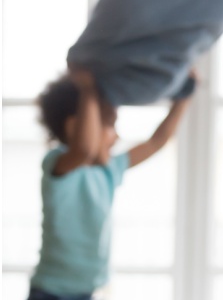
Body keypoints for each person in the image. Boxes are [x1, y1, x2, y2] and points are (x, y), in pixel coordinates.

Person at [28, 67, 194, 300]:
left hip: (86, 290)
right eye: (109, 125)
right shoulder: (58, 163)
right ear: (74, 127)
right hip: (50, 292)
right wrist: (88, 90)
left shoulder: (109, 169)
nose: (116, 136)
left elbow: (156, 142)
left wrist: (183, 98)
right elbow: (84, 150)